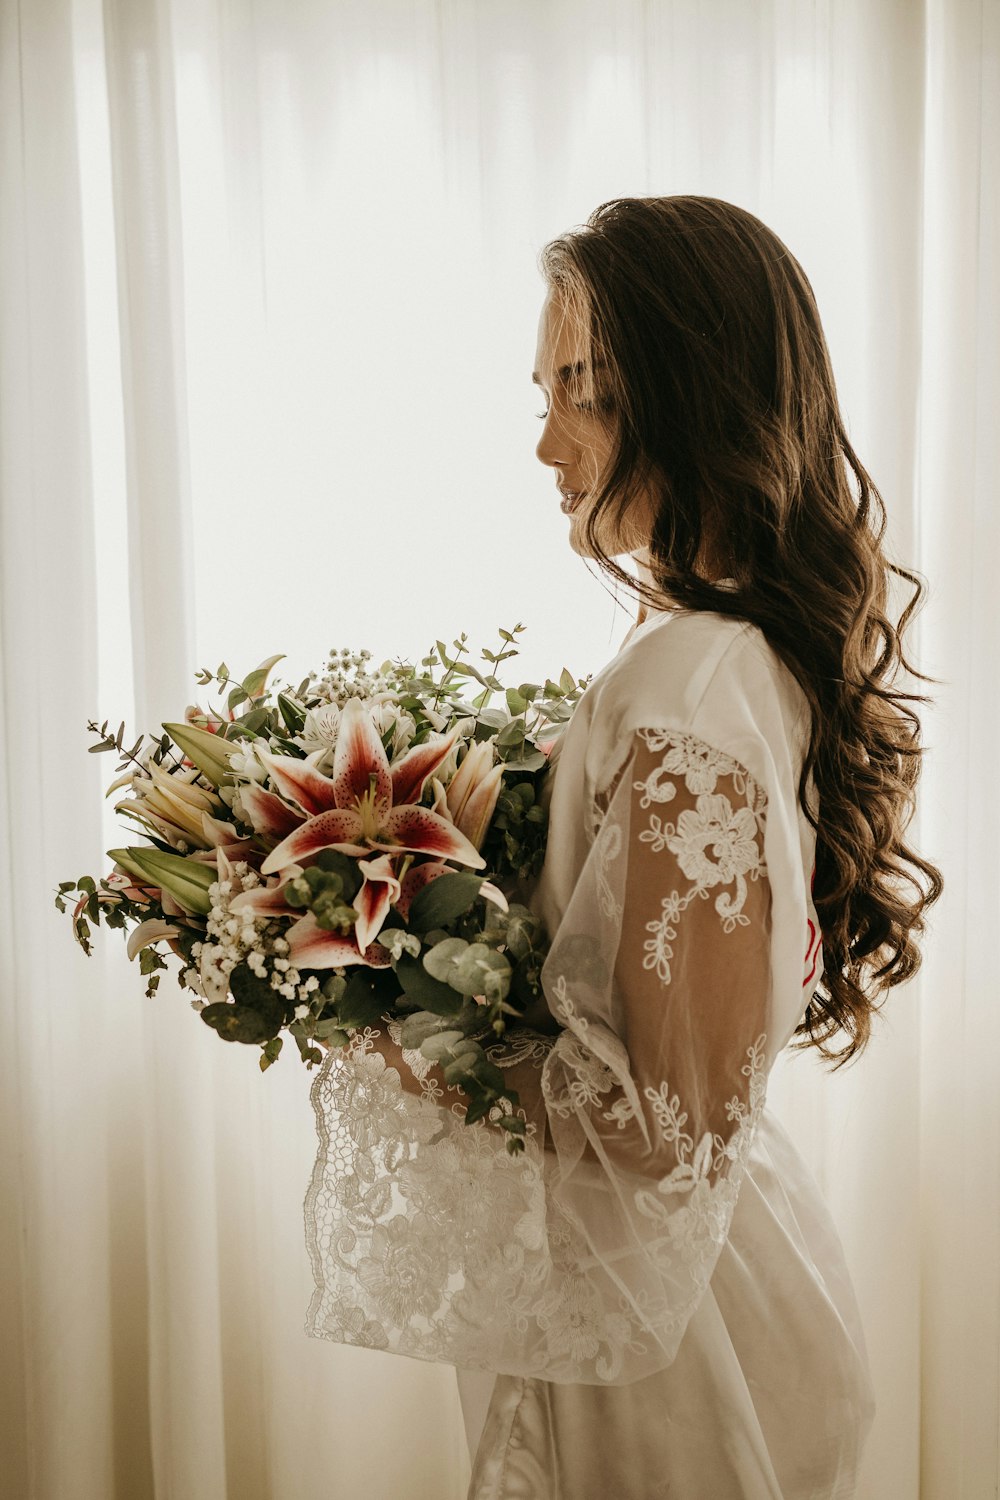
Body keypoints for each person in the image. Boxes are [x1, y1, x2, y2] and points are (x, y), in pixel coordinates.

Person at [304, 196, 943, 1498]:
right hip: (709, 1273)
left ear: (694, 392)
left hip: (674, 1338)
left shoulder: (695, 678)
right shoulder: (726, 656)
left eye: (584, 394)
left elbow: (664, 1122)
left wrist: (401, 1035)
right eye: (542, 393)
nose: (546, 442)